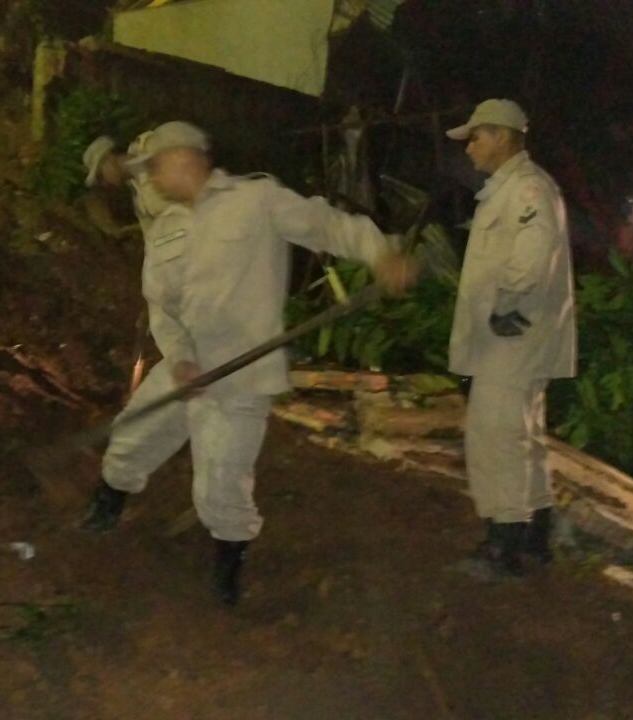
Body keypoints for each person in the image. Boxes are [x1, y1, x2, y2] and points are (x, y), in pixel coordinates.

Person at [79, 121, 416, 605]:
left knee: (221, 483)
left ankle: (228, 569)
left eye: (153, 167)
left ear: (183, 157)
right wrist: (179, 360)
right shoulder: (167, 227)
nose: (148, 178)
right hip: (186, 364)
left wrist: (381, 254)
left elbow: (328, 225)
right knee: (134, 433)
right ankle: (105, 508)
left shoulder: (256, 200)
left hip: (242, 373)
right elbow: (162, 307)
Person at [444, 99, 577, 579]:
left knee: (496, 436)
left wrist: (507, 306)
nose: (470, 147)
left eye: (476, 136)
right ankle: (535, 539)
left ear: (501, 136)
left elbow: (532, 251)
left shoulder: (526, 188)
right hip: (515, 336)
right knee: (523, 437)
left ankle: (504, 547)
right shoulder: (513, 188)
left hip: (513, 335)